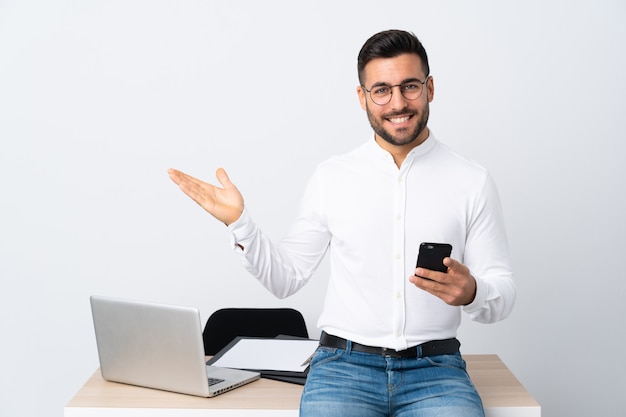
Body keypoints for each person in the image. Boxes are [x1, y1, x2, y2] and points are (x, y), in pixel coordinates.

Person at [168, 29, 516, 417]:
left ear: (430, 88)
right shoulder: (332, 177)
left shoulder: (471, 180)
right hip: (343, 369)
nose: (397, 102)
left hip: (436, 371)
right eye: (381, 89)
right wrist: (239, 223)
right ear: (362, 97)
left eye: (410, 86)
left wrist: (472, 292)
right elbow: (287, 279)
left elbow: (501, 292)